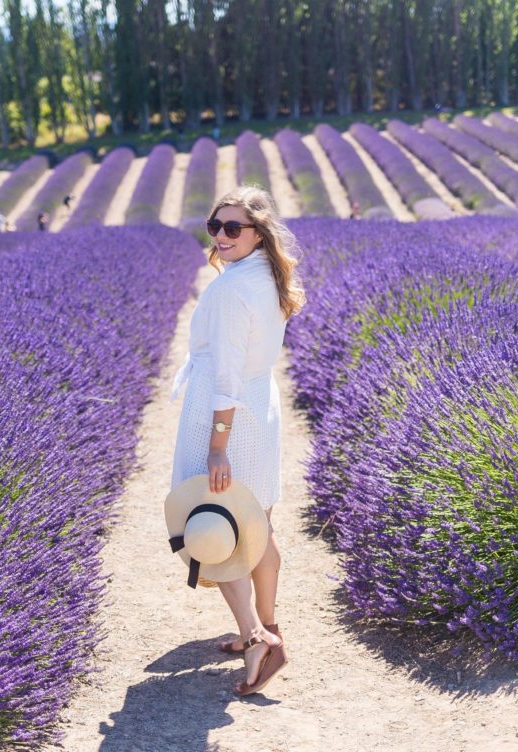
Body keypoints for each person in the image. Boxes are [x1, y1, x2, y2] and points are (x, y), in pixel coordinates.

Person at [169, 184, 306, 697]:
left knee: (214, 526)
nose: (222, 237)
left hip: (226, 411)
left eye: (233, 228)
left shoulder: (231, 290)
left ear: (258, 232)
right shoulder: (269, 275)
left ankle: (257, 639)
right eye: (215, 226)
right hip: (258, 406)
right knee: (256, 524)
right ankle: (269, 626)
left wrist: (217, 443)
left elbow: (224, 374)